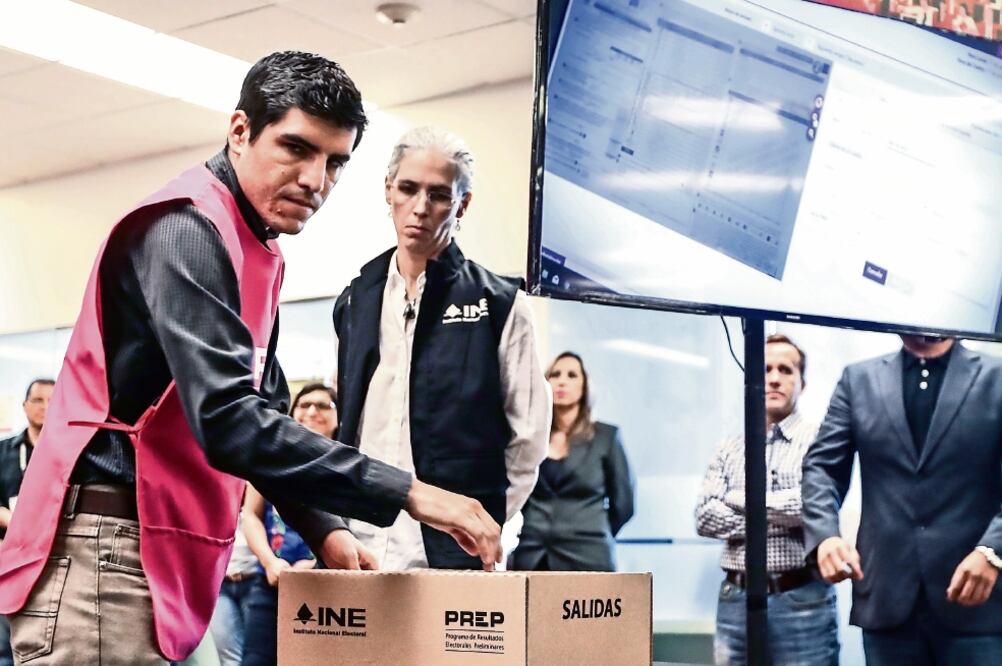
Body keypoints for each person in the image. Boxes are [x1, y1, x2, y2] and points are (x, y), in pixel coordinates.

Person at [0, 52, 501, 665]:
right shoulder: (185, 230)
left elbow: (266, 411)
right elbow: (229, 420)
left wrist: (326, 530)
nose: (316, 180)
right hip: (107, 548)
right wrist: (410, 493)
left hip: (162, 551)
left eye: (334, 163)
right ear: (240, 131)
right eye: (296, 148)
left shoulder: (255, 249)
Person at [332, 126, 550, 570]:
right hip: (364, 544)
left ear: (462, 204)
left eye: (438, 195)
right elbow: (349, 425)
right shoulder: (357, 299)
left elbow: (528, 439)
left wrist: (486, 524)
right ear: (388, 191)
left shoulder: (501, 304)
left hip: (457, 553)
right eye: (408, 189)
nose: (420, 208)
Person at [802, 335, 1002, 665]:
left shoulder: (995, 377)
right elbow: (822, 467)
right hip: (886, 599)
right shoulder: (859, 380)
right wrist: (825, 535)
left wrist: (993, 550)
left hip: (979, 601)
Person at [695, 335, 837, 666]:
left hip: (802, 600)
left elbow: (810, 506)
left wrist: (736, 499)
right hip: (736, 600)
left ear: (803, 381)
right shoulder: (729, 448)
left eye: (785, 370)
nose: (773, 378)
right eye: (765, 369)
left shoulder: (821, 441)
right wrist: (779, 513)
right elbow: (705, 518)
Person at [240, 383, 344, 666]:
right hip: (272, 583)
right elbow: (250, 515)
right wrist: (270, 562)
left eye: (324, 405)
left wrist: (313, 567)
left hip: (328, 589)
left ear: (339, 417)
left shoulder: (350, 466)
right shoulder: (272, 458)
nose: (312, 411)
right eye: (304, 404)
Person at [509, 352, 634, 571]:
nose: (562, 381)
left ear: (585, 386)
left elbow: (624, 504)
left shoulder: (606, 437)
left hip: (588, 553)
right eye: (555, 374)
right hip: (533, 553)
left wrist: (593, 531)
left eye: (572, 375)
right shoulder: (529, 437)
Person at [0, 378, 54, 666]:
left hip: (55, 559)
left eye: (52, 400)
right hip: (9, 558)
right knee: (6, 646)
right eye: (38, 400)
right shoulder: (4, 451)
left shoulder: (73, 455)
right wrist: (13, 521)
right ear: (24, 405)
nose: (45, 407)